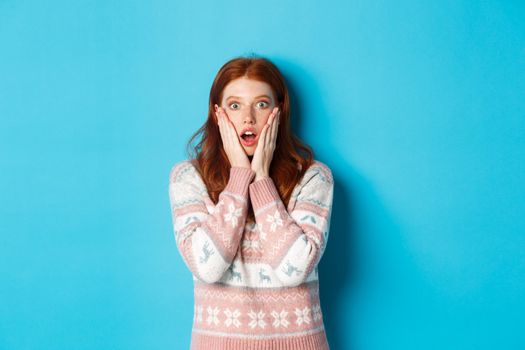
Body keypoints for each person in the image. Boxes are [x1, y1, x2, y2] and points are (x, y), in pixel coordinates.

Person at [168, 55, 334, 350]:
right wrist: (239, 177)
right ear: (218, 114)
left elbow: (293, 270)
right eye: (235, 105)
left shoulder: (314, 178)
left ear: (279, 111)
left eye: (261, 104)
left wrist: (260, 181)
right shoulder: (188, 178)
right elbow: (207, 268)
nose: (248, 118)